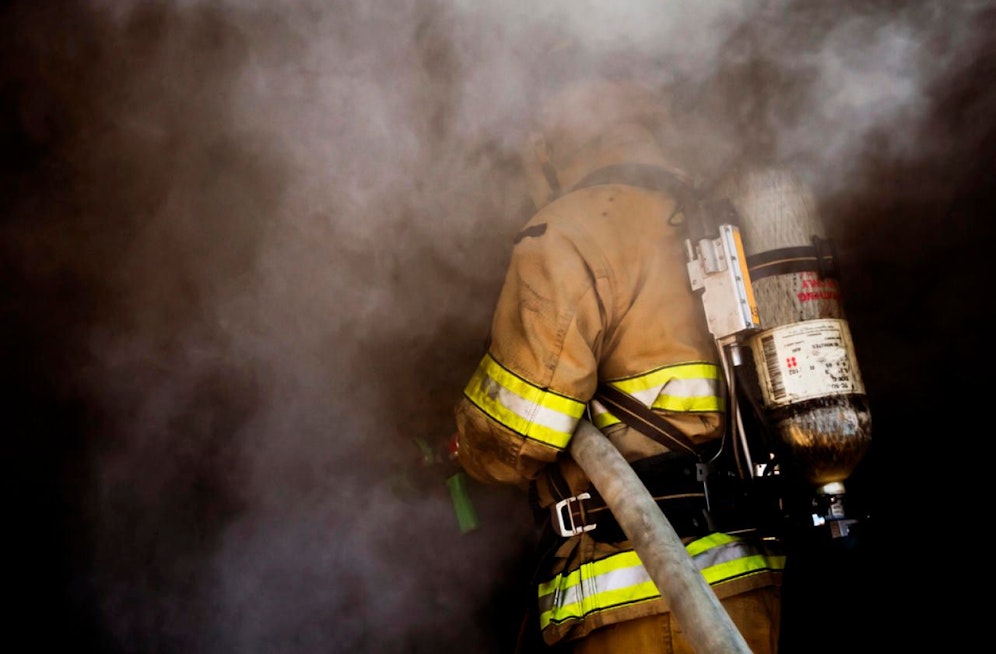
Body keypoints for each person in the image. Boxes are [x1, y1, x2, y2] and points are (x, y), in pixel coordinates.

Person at [452, 76, 783, 653]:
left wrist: (465, 440)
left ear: (547, 145)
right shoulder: (717, 211)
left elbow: (516, 434)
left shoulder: (569, 228)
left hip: (645, 606)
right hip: (756, 586)